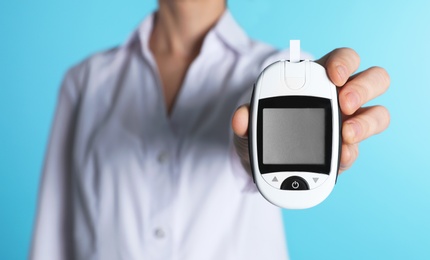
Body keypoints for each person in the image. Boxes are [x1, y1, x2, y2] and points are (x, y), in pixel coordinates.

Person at [30, 0, 390, 259]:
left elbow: (253, 122)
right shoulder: (85, 82)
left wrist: (260, 142)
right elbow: (51, 238)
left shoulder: (273, 70)